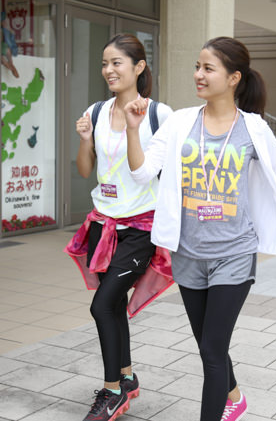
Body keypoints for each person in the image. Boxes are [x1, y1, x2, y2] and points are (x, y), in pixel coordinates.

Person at [123, 36, 276, 421]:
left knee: (211, 349)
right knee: (208, 344)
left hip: (234, 252)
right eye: (197, 66)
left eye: (208, 68)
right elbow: (142, 171)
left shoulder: (253, 128)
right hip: (189, 253)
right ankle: (236, 396)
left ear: (233, 78)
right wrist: (132, 129)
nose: (198, 74)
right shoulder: (180, 123)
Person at [64, 33, 173, 421]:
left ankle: (112, 392)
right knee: (111, 306)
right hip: (102, 223)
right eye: (105, 63)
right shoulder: (95, 111)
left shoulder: (160, 116)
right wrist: (84, 139)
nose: (108, 70)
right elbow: (84, 171)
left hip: (141, 227)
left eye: (117, 63)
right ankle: (126, 378)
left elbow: (148, 176)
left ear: (139, 67)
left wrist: (132, 128)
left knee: (102, 304)